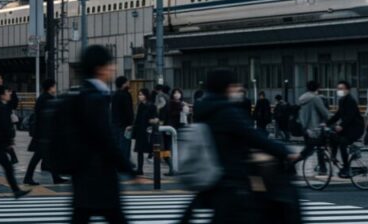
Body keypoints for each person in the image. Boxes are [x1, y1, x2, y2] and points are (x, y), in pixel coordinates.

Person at [181, 69, 294, 224]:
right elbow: (254, 137)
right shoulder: (227, 112)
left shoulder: (204, 109)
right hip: (233, 183)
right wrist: (285, 151)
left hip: (213, 182)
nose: (238, 90)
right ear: (226, 87)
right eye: (235, 86)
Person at [70, 45, 136, 224]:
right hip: (100, 177)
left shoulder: (81, 94)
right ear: (99, 68)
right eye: (110, 64)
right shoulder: (96, 98)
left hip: (83, 177)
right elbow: (105, 140)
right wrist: (127, 168)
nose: (113, 67)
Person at [23, 80, 66, 185]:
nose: (55, 88)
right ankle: (29, 178)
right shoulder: (47, 99)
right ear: (50, 88)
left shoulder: (42, 98)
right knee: (38, 156)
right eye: (54, 86)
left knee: (46, 156)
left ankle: (55, 177)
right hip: (45, 133)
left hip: (42, 133)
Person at [326, 81, 364, 177]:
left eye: (342, 88)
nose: (339, 91)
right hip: (348, 127)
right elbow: (338, 115)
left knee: (343, 143)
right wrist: (326, 123)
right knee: (332, 137)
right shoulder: (342, 100)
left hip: (356, 128)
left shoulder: (350, 100)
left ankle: (346, 168)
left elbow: (350, 117)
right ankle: (334, 158)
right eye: (338, 89)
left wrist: (341, 126)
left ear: (348, 90)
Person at [296, 81, 329, 164]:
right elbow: (325, 113)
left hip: (304, 128)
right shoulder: (315, 98)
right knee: (319, 147)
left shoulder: (302, 98)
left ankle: (293, 162)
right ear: (317, 88)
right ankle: (292, 162)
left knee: (310, 149)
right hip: (314, 128)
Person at [132, 88, 157, 176]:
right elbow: (137, 119)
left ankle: (155, 168)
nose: (140, 96)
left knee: (151, 150)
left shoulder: (151, 105)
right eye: (139, 95)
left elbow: (154, 118)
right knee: (139, 151)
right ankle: (139, 169)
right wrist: (133, 127)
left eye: (141, 94)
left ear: (146, 95)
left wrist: (152, 121)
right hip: (140, 130)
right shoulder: (140, 106)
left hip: (147, 131)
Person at [111, 76, 134, 161]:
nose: (128, 83)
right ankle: (124, 166)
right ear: (123, 84)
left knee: (118, 146)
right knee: (125, 146)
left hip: (115, 125)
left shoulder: (115, 94)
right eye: (127, 82)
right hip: (125, 126)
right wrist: (130, 124)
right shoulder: (125, 95)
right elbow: (128, 111)